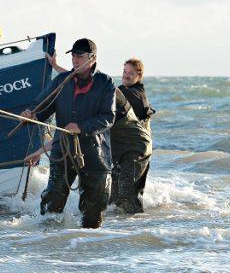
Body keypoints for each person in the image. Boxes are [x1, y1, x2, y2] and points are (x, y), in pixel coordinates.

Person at [21, 38, 115, 228]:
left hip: (95, 154)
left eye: (79, 56)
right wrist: (30, 114)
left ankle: (85, 243)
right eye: (73, 56)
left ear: (92, 58)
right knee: (51, 207)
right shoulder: (61, 80)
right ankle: (46, 242)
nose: (74, 60)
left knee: (93, 214)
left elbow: (108, 117)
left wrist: (81, 127)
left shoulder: (105, 82)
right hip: (63, 151)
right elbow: (42, 106)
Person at [108, 58, 155, 214]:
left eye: (131, 73)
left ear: (139, 76)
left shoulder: (135, 94)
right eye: (125, 71)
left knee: (127, 194)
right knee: (114, 198)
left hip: (138, 151)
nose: (126, 75)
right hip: (122, 149)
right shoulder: (123, 90)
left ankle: (138, 225)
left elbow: (107, 94)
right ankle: (120, 226)